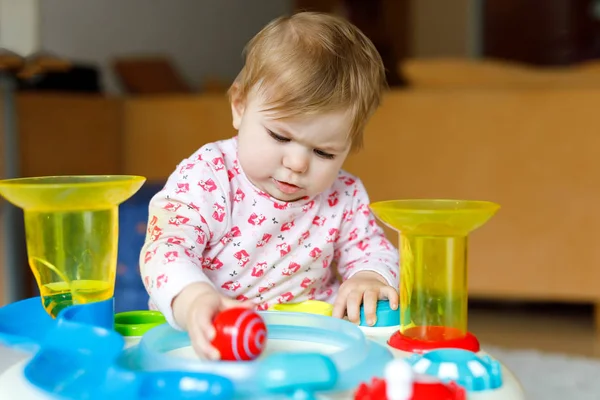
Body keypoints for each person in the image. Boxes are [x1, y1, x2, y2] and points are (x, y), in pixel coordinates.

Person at [139, 11, 400, 360]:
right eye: (280, 136)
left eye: (324, 152)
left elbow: (373, 249)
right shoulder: (207, 175)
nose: (297, 163)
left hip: (308, 341)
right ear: (239, 106)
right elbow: (165, 248)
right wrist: (193, 298)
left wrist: (369, 276)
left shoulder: (344, 194)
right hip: (208, 338)